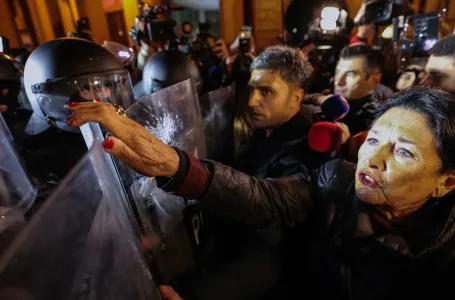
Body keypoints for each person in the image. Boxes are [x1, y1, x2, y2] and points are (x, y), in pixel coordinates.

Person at [68, 86, 455, 299]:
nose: (374, 159)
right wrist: (173, 165)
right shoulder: (337, 179)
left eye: (403, 151)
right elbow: (264, 199)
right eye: (373, 140)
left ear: (447, 181)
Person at [310, 45, 385, 136]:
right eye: (337, 72)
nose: (338, 82)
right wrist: (317, 98)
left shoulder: (377, 122)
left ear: (374, 80)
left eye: (350, 74)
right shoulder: (326, 100)